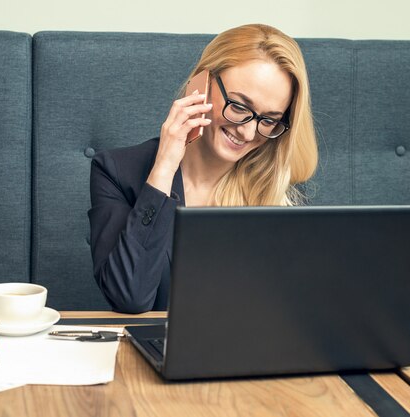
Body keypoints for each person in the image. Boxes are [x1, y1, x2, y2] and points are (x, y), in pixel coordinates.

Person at [88, 24, 318, 313]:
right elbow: (129, 297)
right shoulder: (117, 173)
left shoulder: (277, 185)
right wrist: (163, 169)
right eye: (239, 106)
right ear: (201, 84)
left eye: (269, 120)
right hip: (162, 353)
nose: (248, 133)